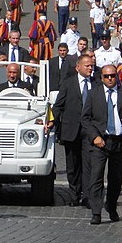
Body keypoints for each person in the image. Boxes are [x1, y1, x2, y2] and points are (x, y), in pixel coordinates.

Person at [81, 64, 122, 224]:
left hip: (118, 141)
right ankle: (96, 211)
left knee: (116, 177)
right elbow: (85, 119)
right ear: (101, 78)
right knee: (96, 176)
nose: (110, 79)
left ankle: (111, 205)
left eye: (112, 76)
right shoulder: (94, 94)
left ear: (117, 77)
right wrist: (94, 137)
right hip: (99, 141)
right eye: (106, 76)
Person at [53, 53, 95, 207]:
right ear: (78, 67)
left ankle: (87, 196)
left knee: (88, 164)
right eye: (87, 65)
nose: (90, 68)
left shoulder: (96, 83)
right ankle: (74, 195)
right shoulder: (68, 83)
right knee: (72, 165)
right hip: (71, 130)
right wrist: (51, 121)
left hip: (90, 131)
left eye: (92, 65)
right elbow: (59, 105)